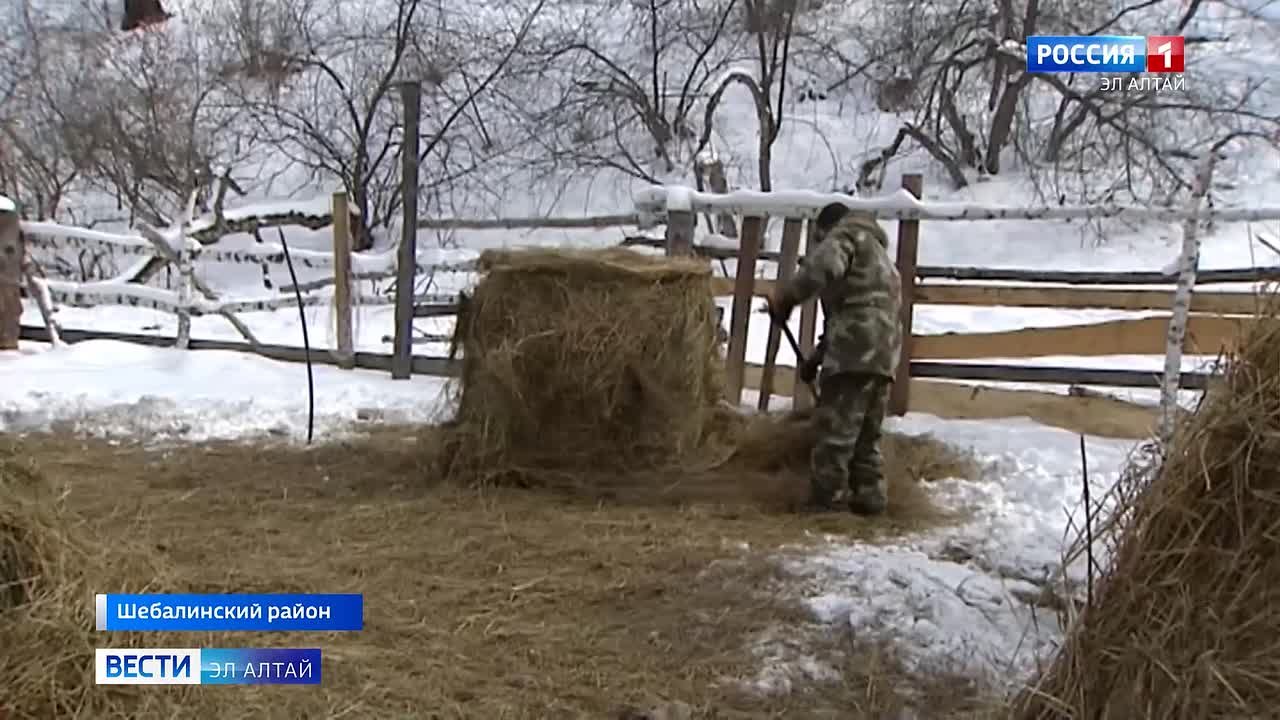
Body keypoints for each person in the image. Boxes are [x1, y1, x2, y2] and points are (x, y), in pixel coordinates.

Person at [767, 203, 902, 515]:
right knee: (866, 436)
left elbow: (821, 268)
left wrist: (785, 299)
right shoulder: (879, 256)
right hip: (884, 354)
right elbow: (853, 312)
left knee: (836, 433)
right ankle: (870, 499)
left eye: (819, 238)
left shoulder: (848, 236)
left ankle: (825, 503)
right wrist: (815, 360)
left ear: (826, 229)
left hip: (855, 350)